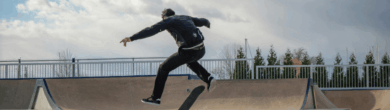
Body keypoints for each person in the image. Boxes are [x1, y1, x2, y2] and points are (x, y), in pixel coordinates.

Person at [120, 8, 216, 106]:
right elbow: (202, 21)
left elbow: (151, 30)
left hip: (188, 51)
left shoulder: (168, 21)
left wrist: (131, 38)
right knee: (190, 61)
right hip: (201, 50)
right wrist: (208, 24)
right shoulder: (185, 17)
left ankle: (155, 98)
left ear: (164, 17)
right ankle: (208, 78)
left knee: (163, 68)